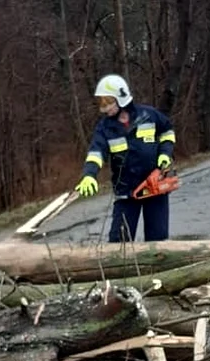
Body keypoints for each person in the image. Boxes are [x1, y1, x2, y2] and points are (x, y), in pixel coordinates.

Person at [74, 74, 177, 243]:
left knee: (157, 241)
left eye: (108, 103)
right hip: (126, 192)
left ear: (120, 97)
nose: (105, 109)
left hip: (154, 186)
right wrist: (89, 175)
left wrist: (165, 153)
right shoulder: (105, 128)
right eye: (102, 105)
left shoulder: (149, 115)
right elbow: (96, 153)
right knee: (118, 242)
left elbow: (167, 131)